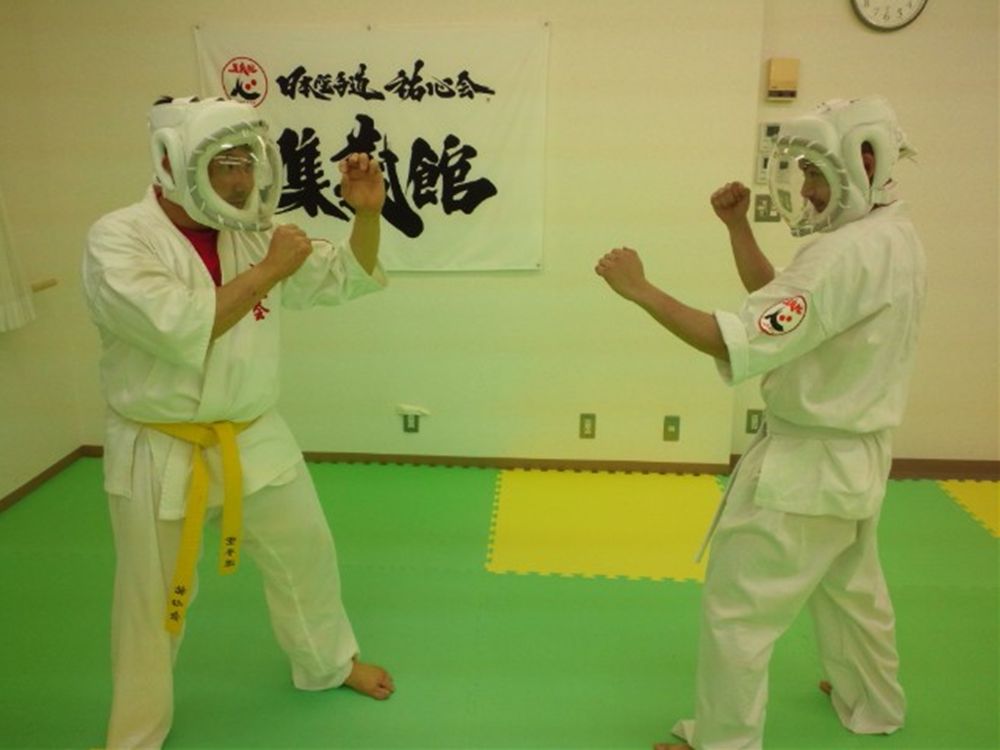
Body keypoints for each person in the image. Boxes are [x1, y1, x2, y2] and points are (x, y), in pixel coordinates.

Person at [595, 96, 925, 749]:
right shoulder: (896, 237)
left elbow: (740, 339)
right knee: (852, 593)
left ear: (864, 161)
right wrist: (738, 229)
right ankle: (874, 701)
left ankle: (723, 742)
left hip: (803, 471)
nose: (806, 188)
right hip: (857, 458)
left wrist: (641, 291)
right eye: (803, 172)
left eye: (815, 173)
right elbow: (788, 313)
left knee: (738, 614)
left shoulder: (841, 255)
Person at [82, 95, 395, 750]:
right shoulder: (118, 238)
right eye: (224, 163)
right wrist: (270, 269)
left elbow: (345, 276)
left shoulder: (250, 230)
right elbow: (183, 327)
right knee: (151, 603)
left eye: (246, 162)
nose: (240, 179)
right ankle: (136, 733)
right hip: (159, 445)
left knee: (306, 554)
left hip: (253, 431)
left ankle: (326, 663)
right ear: (172, 163)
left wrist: (367, 215)